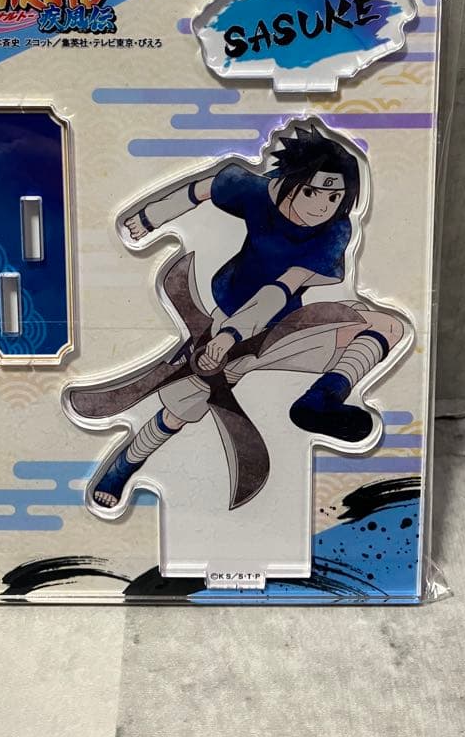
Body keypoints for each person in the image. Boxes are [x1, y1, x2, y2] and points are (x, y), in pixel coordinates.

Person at [67, 122, 406, 510]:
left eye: (333, 198)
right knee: (181, 408)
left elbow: (281, 289)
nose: (320, 206)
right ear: (292, 181)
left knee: (387, 326)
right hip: (224, 318)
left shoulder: (333, 231)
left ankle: (320, 401)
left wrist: (232, 334)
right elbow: (203, 188)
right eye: (312, 192)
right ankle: (124, 466)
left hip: (283, 327)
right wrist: (150, 217)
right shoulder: (256, 192)